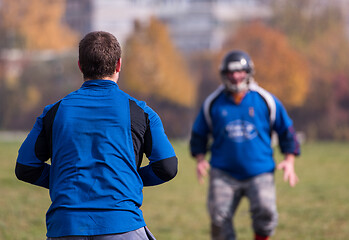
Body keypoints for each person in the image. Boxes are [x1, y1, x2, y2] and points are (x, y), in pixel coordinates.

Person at [15, 31, 178, 240]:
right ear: (118, 65)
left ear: (80, 65)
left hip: (65, 227)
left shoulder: (54, 112)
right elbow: (167, 167)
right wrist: (127, 179)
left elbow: (25, 167)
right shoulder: (141, 112)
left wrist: (64, 179)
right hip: (122, 224)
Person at [190, 50, 300, 240]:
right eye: (230, 72)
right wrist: (200, 159)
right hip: (223, 173)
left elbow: (286, 131)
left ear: (248, 72)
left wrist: (289, 161)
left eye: (239, 71)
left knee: (266, 214)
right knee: (218, 219)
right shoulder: (213, 103)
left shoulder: (266, 100)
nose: (235, 76)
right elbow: (198, 134)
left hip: (260, 171)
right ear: (223, 74)